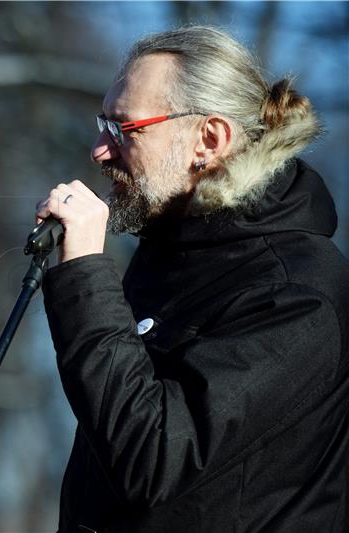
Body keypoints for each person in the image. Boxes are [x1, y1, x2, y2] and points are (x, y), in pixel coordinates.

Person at [36, 26, 349, 532]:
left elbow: (153, 456)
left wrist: (85, 276)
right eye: (102, 124)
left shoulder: (295, 292)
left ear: (209, 139)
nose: (99, 150)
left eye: (124, 128)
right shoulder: (171, 249)